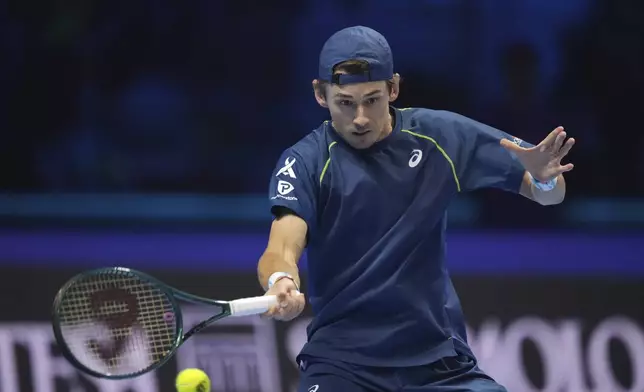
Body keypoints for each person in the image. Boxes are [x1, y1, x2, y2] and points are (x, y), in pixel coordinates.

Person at [257, 26, 575, 392]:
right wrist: (280, 279)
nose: (360, 117)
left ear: (393, 88)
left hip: (438, 363)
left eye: (372, 100)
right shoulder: (306, 161)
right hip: (342, 365)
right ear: (320, 94)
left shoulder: (439, 137)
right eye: (346, 102)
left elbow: (548, 194)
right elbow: (281, 245)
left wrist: (547, 179)